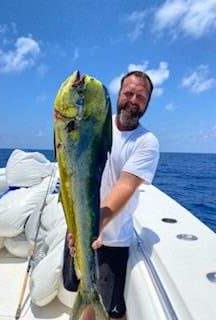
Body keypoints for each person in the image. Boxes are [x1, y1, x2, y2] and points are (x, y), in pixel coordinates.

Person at [63, 70, 160, 320]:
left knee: (111, 311)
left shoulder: (147, 142)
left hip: (114, 240)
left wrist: (96, 225)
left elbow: (126, 186)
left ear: (148, 103)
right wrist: (84, 229)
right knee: (84, 301)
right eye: (129, 93)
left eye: (141, 96)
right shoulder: (95, 126)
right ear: (119, 94)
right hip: (81, 231)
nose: (133, 100)